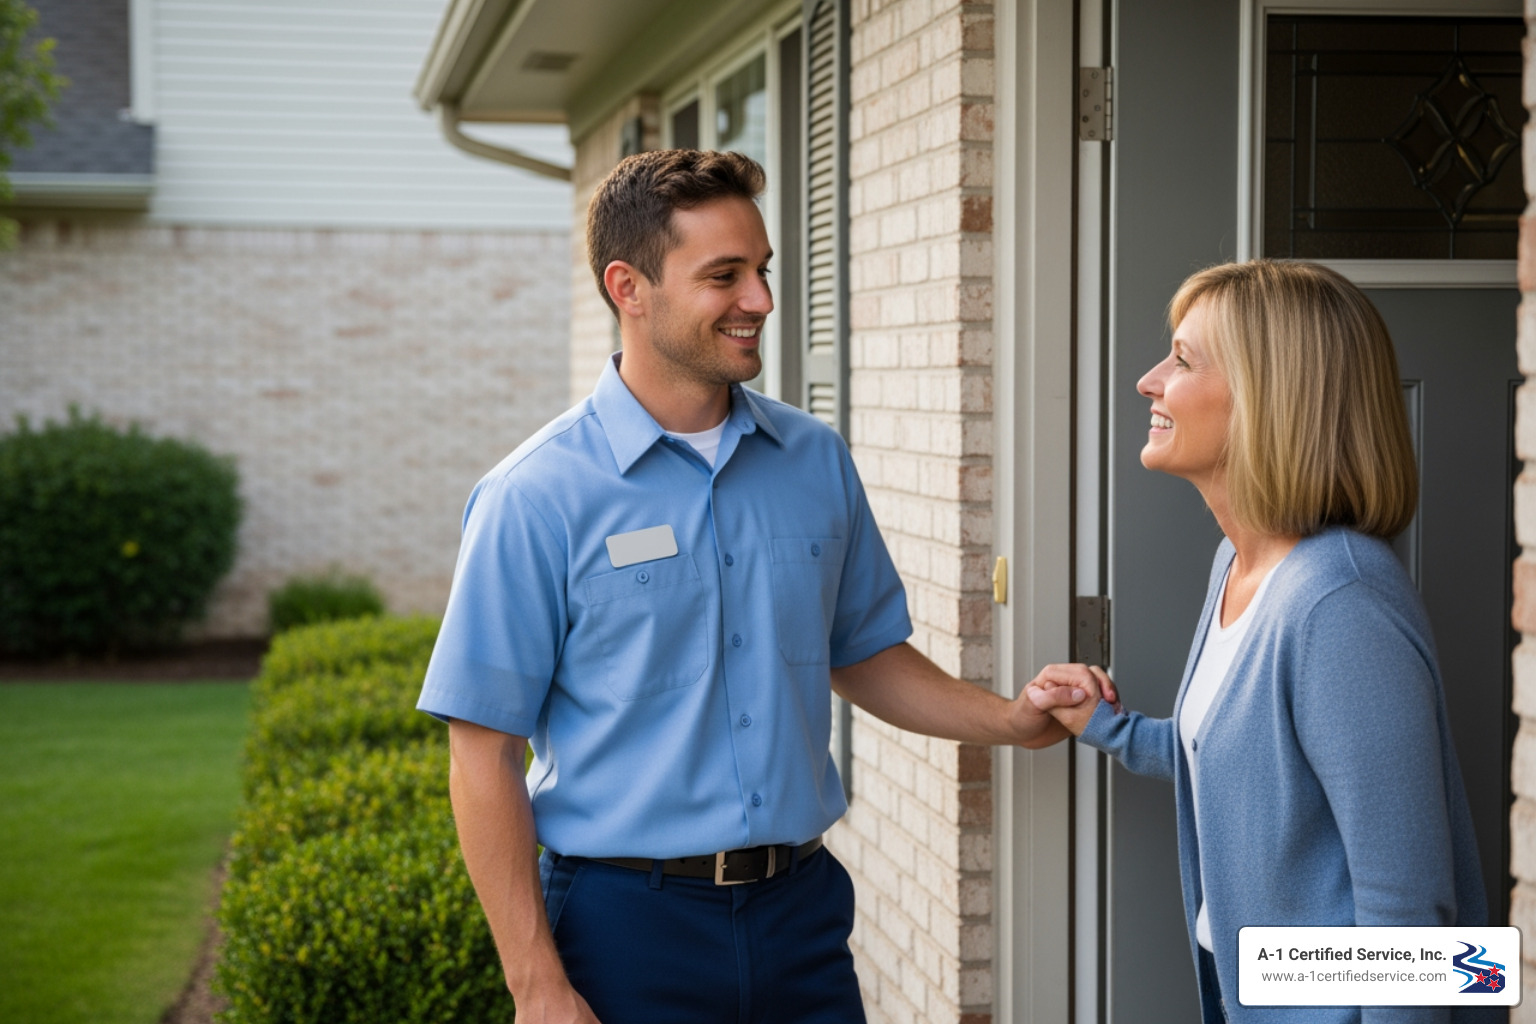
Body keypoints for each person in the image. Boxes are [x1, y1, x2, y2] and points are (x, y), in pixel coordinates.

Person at [417, 149, 1096, 1024]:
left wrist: (1008, 719)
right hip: (623, 932)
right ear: (629, 287)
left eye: (763, 271)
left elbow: (860, 653)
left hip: (800, 920)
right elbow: (482, 755)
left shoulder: (813, 459)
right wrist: (536, 983)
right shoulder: (535, 496)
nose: (762, 302)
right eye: (724, 276)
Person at [1027, 259, 1488, 1023]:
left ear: (1270, 398)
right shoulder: (1238, 563)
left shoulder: (1340, 601)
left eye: (1182, 359)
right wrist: (1108, 727)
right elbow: (1245, 765)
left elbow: (1409, 912)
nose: (1149, 381)